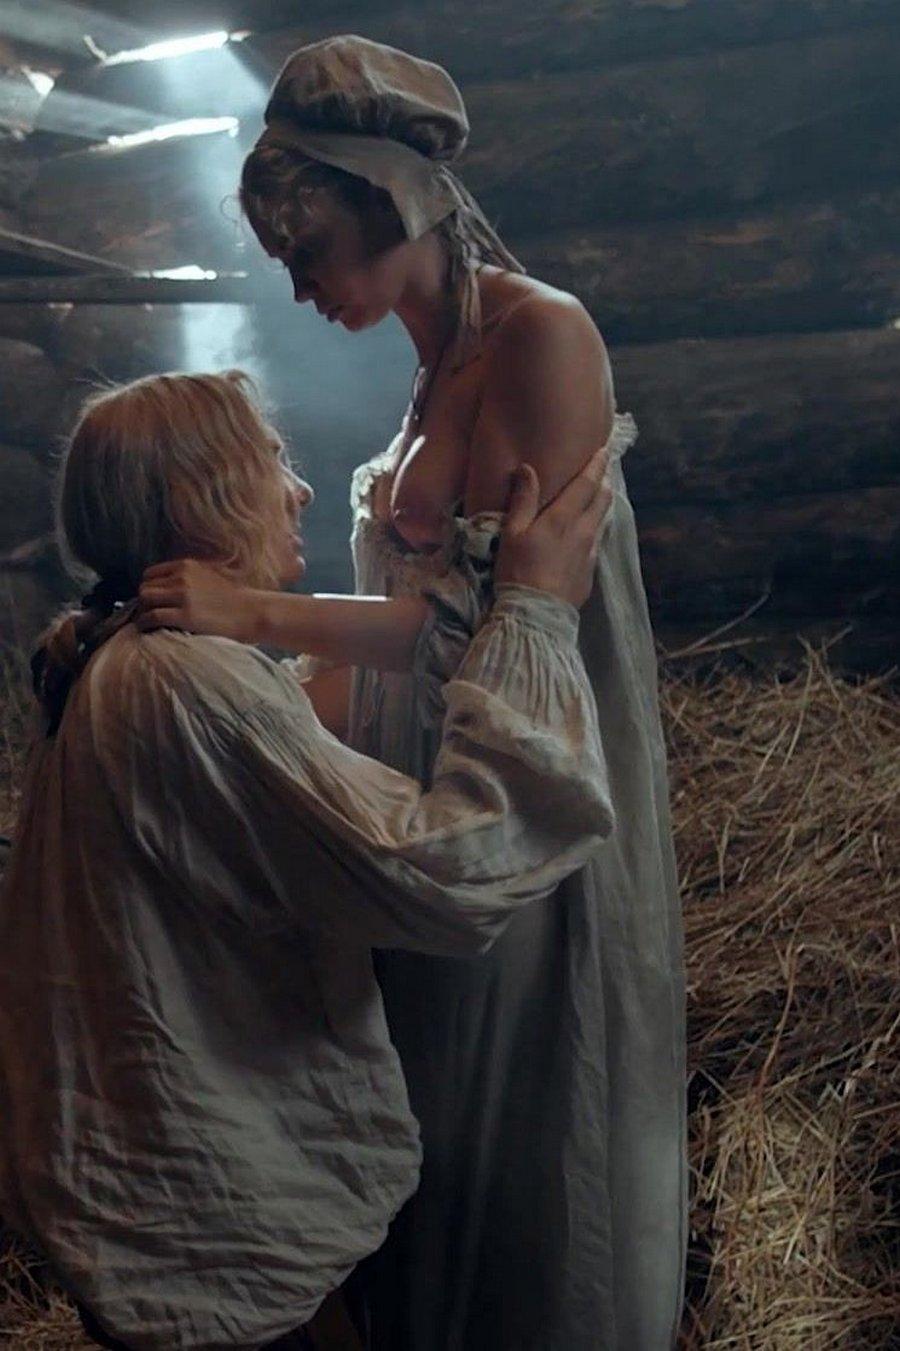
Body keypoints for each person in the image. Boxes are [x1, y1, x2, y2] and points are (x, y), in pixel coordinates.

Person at [136, 34, 688, 1351]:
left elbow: (485, 630)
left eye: (316, 252)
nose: (304, 285)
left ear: (396, 207)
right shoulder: (433, 368)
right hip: (423, 771)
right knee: (419, 1068)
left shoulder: (544, 336)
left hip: (519, 763)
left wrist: (245, 611)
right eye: (286, 261)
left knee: (515, 1066)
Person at [0, 368, 616, 1351]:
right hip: (215, 1214)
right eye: (272, 460)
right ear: (201, 496)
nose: (301, 489)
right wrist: (535, 612)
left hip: (180, 1194)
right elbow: (444, 869)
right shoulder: (182, 681)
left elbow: (297, 734)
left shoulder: (134, 658)